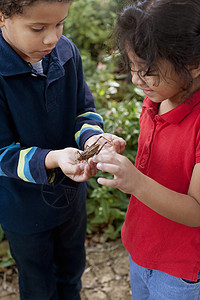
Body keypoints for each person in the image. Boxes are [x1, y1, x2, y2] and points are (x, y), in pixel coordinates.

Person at [0, 0, 126, 299]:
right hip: (22, 208)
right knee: (38, 283)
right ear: (3, 16)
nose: (52, 38)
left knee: (72, 271)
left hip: (71, 197)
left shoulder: (66, 52)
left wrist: (92, 140)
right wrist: (54, 158)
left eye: (60, 24)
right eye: (38, 28)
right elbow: (2, 153)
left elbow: (83, 111)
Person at [91, 0, 200, 299]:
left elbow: (197, 210)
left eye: (147, 70)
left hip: (180, 271)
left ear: (193, 62)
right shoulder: (156, 99)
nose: (137, 80)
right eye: (133, 68)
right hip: (140, 247)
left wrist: (136, 182)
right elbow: (160, 163)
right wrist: (121, 155)